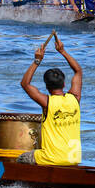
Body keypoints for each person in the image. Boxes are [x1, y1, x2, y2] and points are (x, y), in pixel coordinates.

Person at [17, 33, 83, 166]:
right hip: (74, 159)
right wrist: (63, 51)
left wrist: (37, 61)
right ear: (64, 84)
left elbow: (25, 84)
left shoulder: (47, 102)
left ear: (46, 87)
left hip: (51, 159)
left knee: (21, 159)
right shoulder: (75, 98)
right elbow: (78, 71)